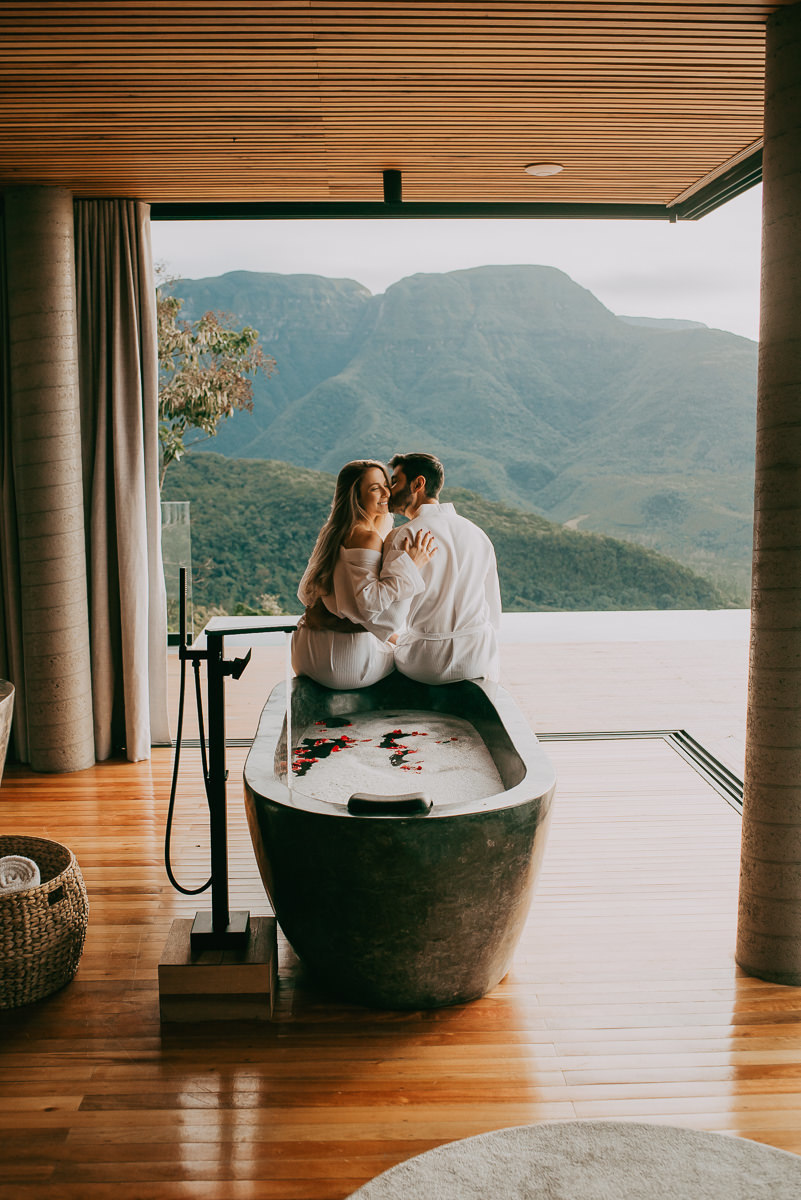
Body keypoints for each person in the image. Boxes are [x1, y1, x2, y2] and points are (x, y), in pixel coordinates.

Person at [291, 459, 437, 689]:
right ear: (355, 497)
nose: (386, 493)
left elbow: (317, 598)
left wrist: (393, 638)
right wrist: (411, 565)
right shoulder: (366, 537)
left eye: (386, 485)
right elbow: (368, 603)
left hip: (305, 651)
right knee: (419, 666)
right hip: (342, 662)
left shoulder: (333, 532)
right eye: (374, 488)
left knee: (400, 645)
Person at [360, 451, 502, 685]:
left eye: (395, 481)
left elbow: (387, 616)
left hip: (426, 662)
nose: (389, 491)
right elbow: (493, 609)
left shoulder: (402, 537)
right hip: (478, 656)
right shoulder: (478, 534)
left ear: (418, 484)